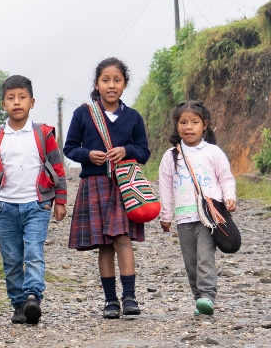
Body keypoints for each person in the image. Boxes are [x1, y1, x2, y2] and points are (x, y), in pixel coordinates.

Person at [63, 57, 150, 319]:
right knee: (104, 245)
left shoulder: (133, 117)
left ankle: (130, 297)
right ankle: (110, 301)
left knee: (123, 239)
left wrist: (126, 150)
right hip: (95, 183)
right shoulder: (83, 114)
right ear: (97, 84)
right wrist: (89, 155)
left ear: (124, 85)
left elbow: (144, 151)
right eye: (105, 80)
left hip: (124, 186)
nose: (111, 85)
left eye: (117, 80)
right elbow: (70, 148)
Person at [0, 75, 68, 325]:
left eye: (22, 97)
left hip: (37, 205)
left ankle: (33, 296)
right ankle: (18, 304)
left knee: (33, 252)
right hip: (5, 207)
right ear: (3, 104)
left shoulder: (43, 133)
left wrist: (60, 200)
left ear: (32, 102)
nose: (16, 102)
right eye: (11, 98)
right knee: (11, 259)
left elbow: (58, 169)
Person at [158, 101, 236, 316]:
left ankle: (207, 296)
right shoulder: (170, 156)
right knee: (190, 262)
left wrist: (229, 197)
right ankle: (198, 299)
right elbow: (165, 188)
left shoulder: (213, 152)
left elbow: (226, 178)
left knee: (204, 257)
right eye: (183, 122)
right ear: (177, 125)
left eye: (194, 122)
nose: (188, 127)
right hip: (183, 219)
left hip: (209, 216)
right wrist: (166, 215)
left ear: (205, 125)